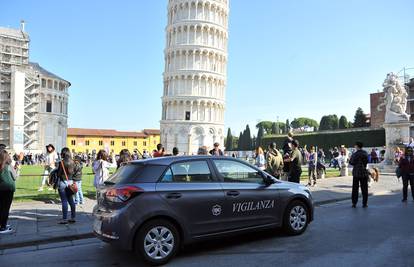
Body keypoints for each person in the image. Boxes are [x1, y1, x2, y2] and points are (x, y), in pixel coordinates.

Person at [57, 147, 76, 224]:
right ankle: (73, 217)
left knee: (64, 201)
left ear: (63, 153)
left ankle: (64, 219)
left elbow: (59, 173)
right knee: (71, 200)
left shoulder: (61, 162)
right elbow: (74, 172)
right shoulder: (72, 162)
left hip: (63, 182)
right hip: (70, 182)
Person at [0, 150, 16, 234]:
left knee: (1, 207)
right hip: (8, 189)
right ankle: (3, 226)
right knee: (6, 208)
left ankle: (2, 224)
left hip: (1, 188)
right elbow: (15, 177)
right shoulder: (8, 166)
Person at [349, 142, 369, 208]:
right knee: (364, 189)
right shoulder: (365, 153)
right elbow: (367, 161)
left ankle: (354, 203)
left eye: (355, 145)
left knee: (355, 189)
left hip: (356, 173)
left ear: (357, 146)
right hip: (363, 172)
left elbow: (351, 162)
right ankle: (364, 203)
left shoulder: (355, 154)